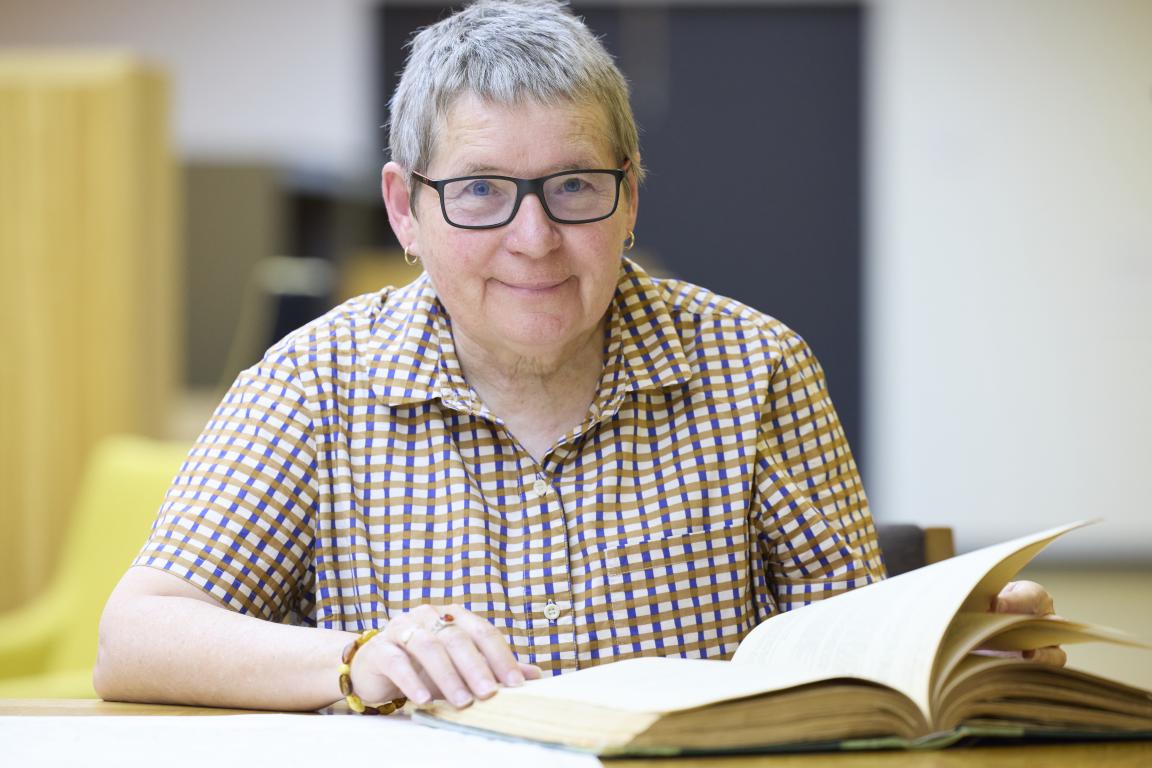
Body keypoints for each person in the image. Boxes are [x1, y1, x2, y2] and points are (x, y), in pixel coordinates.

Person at [94, 0, 1063, 714]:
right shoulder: (314, 380)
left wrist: (956, 643)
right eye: (479, 191)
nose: (534, 238)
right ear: (405, 208)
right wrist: (355, 661)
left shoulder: (755, 364)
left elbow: (857, 646)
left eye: (572, 186)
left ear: (631, 195)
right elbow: (134, 637)